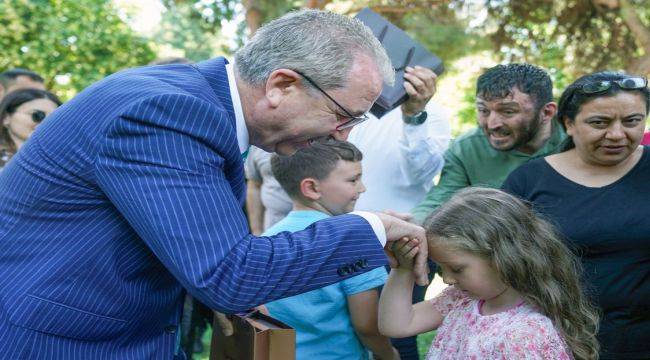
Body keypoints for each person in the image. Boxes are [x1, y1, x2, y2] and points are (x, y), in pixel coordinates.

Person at [0, 10, 429, 357]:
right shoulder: (168, 114)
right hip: (63, 343)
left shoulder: (194, 102)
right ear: (282, 84)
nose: (343, 135)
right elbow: (228, 272)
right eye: (342, 115)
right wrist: (372, 227)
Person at [503, 72, 650, 359]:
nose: (618, 134)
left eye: (632, 121)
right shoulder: (528, 181)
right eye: (599, 123)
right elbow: (496, 256)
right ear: (568, 124)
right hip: (558, 340)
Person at [379, 187, 600, 359]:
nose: (446, 279)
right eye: (441, 267)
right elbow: (396, 325)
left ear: (503, 257)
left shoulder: (527, 333)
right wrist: (404, 268)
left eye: (457, 269)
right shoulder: (461, 300)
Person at [348, 65, 450, 360]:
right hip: (350, 235)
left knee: (397, 332)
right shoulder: (352, 111)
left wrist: (414, 116)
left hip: (404, 240)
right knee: (356, 325)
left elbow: (421, 174)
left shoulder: (435, 114)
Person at [264, 140, 398, 360]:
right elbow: (367, 326)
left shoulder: (267, 241)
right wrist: (389, 355)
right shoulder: (353, 242)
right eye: (353, 180)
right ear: (312, 188)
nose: (362, 188)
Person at [411, 63, 564, 223]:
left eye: (508, 111)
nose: (492, 124)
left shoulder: (575, 140)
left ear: (547, 112)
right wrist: (411, 226)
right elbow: (438, 203)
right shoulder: (467, 149)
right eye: (484, 111)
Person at [349, 66, 451, 214]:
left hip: (402, 229)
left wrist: (413, 117)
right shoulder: (352, 105)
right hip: (342, 225)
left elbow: (420, 174)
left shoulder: (432, 113)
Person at [0, 88, 61, 170]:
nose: (46, 123)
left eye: (53, 118)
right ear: (6, 118)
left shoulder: (60, 160)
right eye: (38, 115)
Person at [245, 146, 292, 234]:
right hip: (273, 228)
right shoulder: (258, 144)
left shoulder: (317, 138)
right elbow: (254, 185)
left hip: (315, 228)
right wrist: (256, 231)